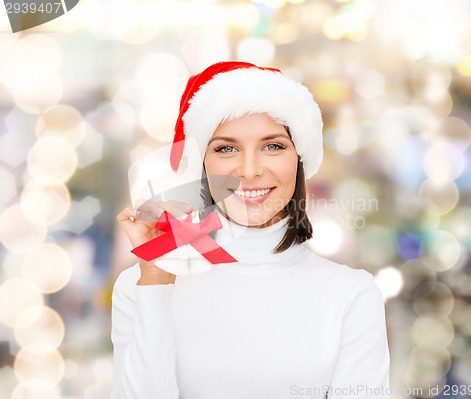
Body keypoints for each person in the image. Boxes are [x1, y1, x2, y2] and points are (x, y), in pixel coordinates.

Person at [112, 61, 390, 399]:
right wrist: (155, 282)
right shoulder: (140, 286)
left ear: (299, 158)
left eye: (273, 146)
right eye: (226, 148)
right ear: (201, 163)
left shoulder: (351, 295)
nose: (249, 170)